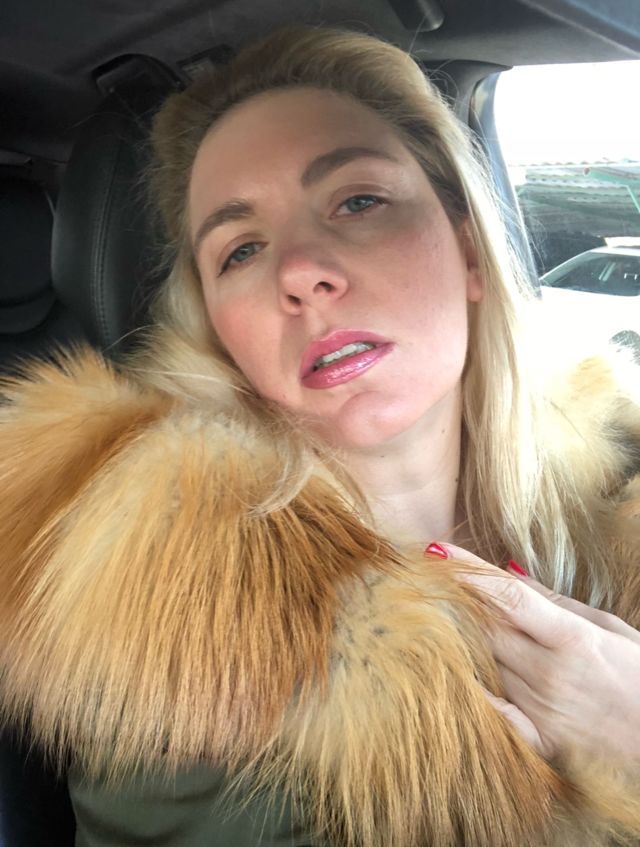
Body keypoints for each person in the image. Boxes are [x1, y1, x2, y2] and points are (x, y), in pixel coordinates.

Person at [0, 24, 638, 847]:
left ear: (470, 251)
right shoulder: (173, 636)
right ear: (221, 334)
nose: (300, 272)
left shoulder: (624, 473)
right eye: (241, 249)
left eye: (358, 201)